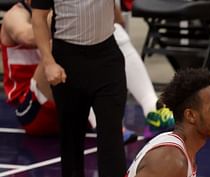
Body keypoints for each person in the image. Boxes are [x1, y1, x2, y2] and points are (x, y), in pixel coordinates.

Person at [1, 1, 173, 140]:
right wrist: (65, 19)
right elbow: (25, 35)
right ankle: (102, 124)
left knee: (111, 33)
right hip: (33, 110)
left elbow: (116, 22)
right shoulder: (15, 14)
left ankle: (152, 109)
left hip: (71, 107)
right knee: (63, 46)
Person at [31, 0, 128, 177]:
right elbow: (38, 18)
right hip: (67, 59)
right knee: (71, 137)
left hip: (107, 58)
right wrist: (49, 62)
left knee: (111, 136)